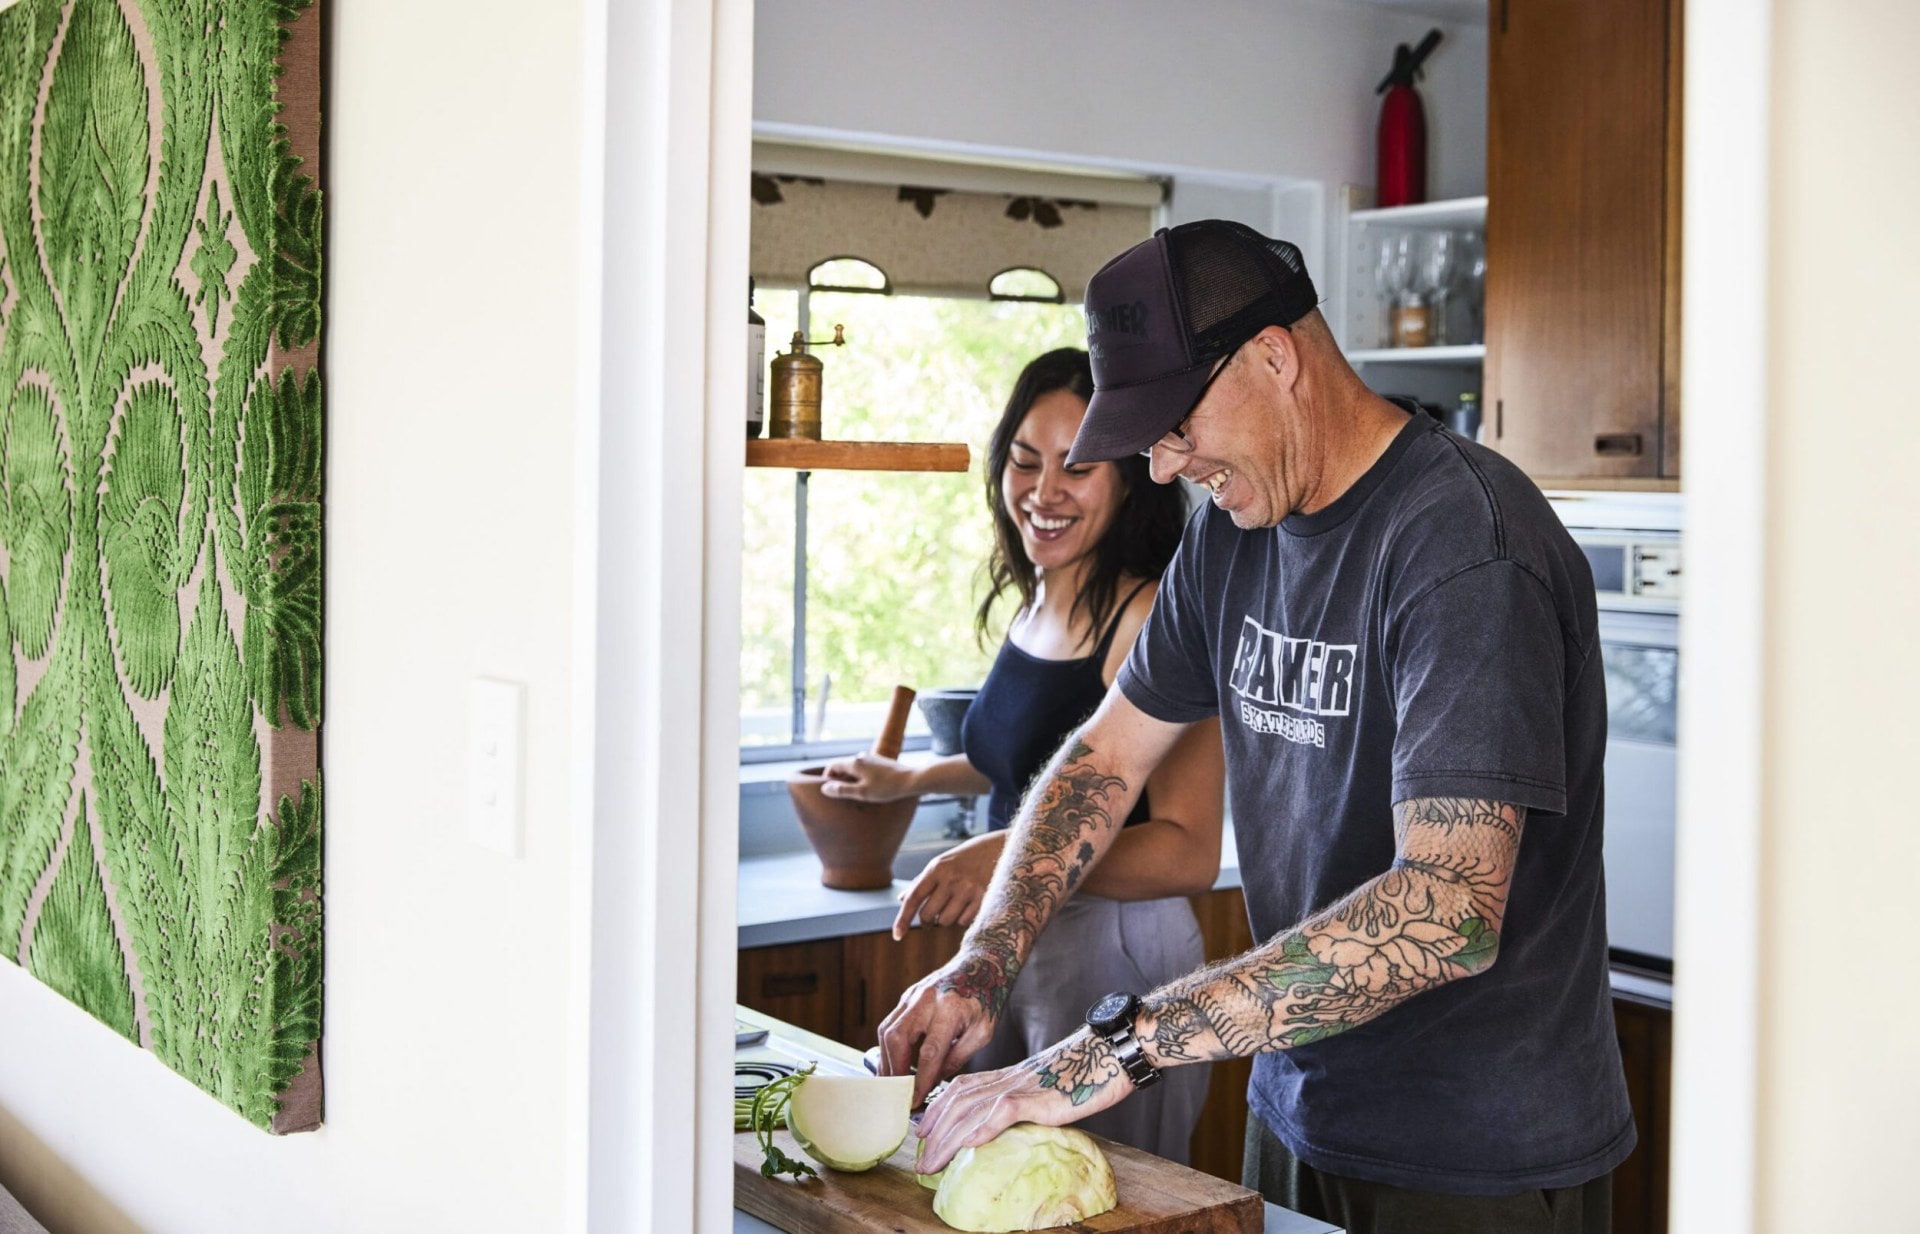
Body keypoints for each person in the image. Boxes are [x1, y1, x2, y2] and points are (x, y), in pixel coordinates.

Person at [888, 222, 1634, 1234]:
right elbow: (1106, 756)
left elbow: (1449, 904)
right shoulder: (1230, 541)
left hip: (1476, 1156)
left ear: (1275, 357)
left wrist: (1117, 1044)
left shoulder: (1464, 549)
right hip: (1293, 1119)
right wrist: (986, 958)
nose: (1161, 465)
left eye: (1177, 423)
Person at [821, 347, 1226, 1164]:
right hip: (1023, 936)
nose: (1043, 493)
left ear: (1131, 478)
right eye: (1024, 461)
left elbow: (1189, 851)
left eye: (1078, 467)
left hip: (1120, 949)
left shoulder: (1152, 617)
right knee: (997, 1179)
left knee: (1104, 1199)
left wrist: (1006, 852)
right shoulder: (1042, 596)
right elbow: (1028, 757)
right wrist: (911, 779)